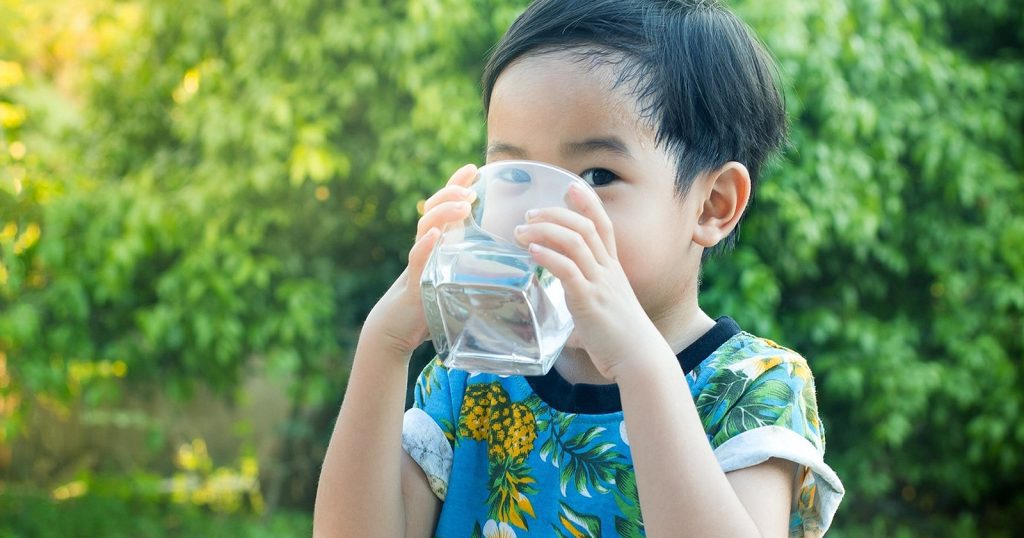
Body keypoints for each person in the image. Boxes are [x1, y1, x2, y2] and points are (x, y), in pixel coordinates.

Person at [313, 0, 845, 536]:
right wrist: (384, 345)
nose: (537, 214)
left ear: (713, 205)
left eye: (596, 175)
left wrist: (636, 360)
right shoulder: (470, 378)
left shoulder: (751, 389)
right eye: (514, 176)